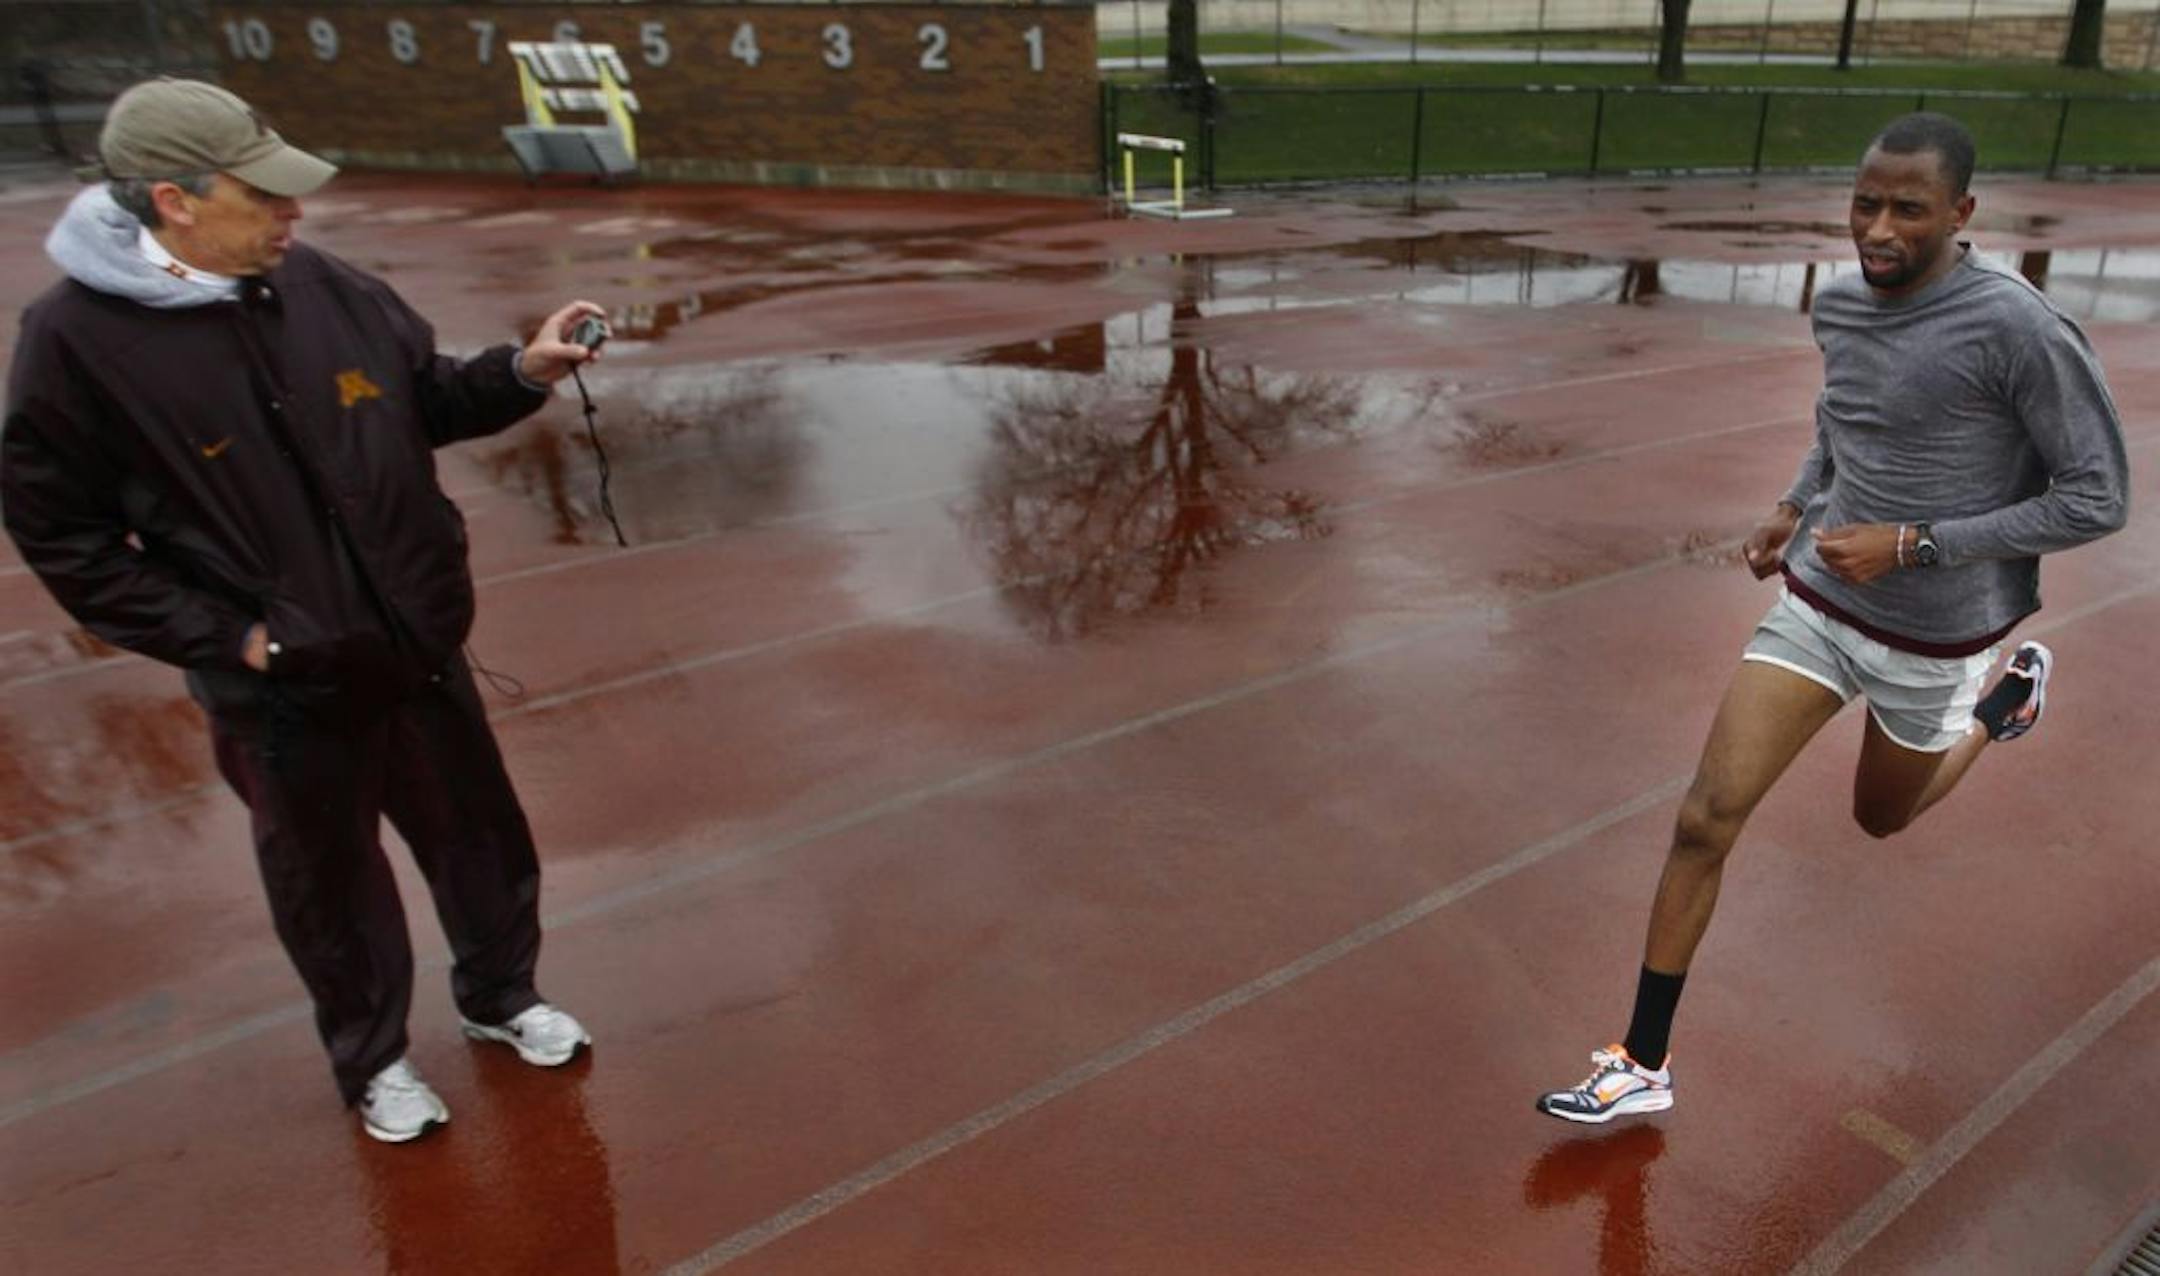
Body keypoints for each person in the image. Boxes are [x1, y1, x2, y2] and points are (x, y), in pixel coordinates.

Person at [1, 78, 606, 1143]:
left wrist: (521, 370)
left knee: (481, 840)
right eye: (264, 195)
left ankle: (501, 998)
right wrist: (233, 639)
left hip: (416, 645)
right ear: (173, 201)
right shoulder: (73, 343)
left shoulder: (324, 284)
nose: (294, 214)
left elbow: (421, 396)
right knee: (330, 887)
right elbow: (66, 539)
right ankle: (374, 1060)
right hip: (283, 687)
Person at [1534, 112, 2130, 1123]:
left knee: (1879, 817)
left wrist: (1912, 543)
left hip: (1935, 636)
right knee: (1704, 818)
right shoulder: (1849, 304)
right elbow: (1842, 418)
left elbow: (2096, 495)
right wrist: (1794, 503)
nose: (1879, 227)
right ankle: (1643, 1060)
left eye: (1908, 208)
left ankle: (2002, 707)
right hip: (1819, 601)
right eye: (1865, 203)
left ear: (1962, 213)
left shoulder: (2021, 329)